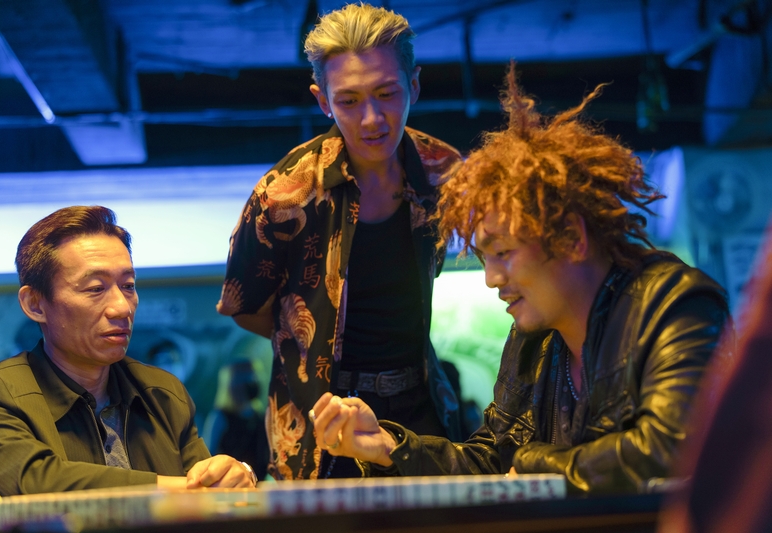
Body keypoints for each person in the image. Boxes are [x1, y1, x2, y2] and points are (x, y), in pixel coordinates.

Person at [310, 67, 731, 494]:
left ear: (572, 237)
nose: (492, 279)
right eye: (484, 258)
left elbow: (671, 448)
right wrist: (389, 447)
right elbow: (492, 462)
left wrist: (534, 461)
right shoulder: (533, 338)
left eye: (504, 252)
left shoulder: (673, 304)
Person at [216, 3, 463, 480]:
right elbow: (243, 306)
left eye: (386, 94)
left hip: (420, 403)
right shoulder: (284, 192)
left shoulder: (444, 172)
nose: (372, 119)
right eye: (349, 100)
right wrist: (309, 341)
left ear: (413, 85)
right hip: (318, 417)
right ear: (323, 101)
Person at [0, 206, 256, 496]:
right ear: (35, 304)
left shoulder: (162, 393)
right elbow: (36, 480)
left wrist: (235, 475)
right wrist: (183, 488)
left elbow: (209, 492)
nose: (122, 307)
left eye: (128, 286)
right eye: (96, 288)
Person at [202, 360, 269, 476]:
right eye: (246, 379)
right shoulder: (220, 417)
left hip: (258, 482)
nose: (252, 382)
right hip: (229, 483)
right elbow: (208, 454)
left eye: (254, 377)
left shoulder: (259, 417)